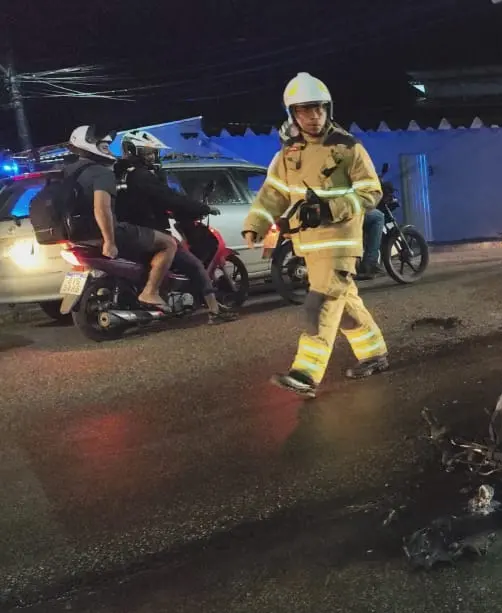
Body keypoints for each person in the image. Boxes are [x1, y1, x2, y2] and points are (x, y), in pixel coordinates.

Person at [241, 72, 390, 398]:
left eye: (319, 108)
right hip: (308, 245)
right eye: (306, 110)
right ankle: (374, 353)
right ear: (293, 114)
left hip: (340, 243)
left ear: (328, 109)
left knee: (320, 302)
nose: (314, 116)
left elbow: (371, 192)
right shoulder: (289, 153)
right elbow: (273, 192)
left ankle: (306, 374)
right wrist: (256, 223)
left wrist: (330, 209)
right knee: (343, 302)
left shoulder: (348, 147)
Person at [114, 130, 237, 324]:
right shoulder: (142, 176)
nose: (152, 156)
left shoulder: (119, 174)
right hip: (148, 231)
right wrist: (201, 208)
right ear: (133, 151)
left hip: (125, 230)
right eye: (147, 152)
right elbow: (169, 197)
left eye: (152, 152)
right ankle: (214, 311)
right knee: (194, 265)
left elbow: (147, 202)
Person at [62, 125, 178, 310]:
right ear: (89, 144)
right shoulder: (101, 172)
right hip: (104, 232)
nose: (109, 149)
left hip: (77, 235)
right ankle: (150, 292)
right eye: (104, 145)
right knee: (168, 243)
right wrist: (109, 241)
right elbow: (102, 208)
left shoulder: (67, 172)